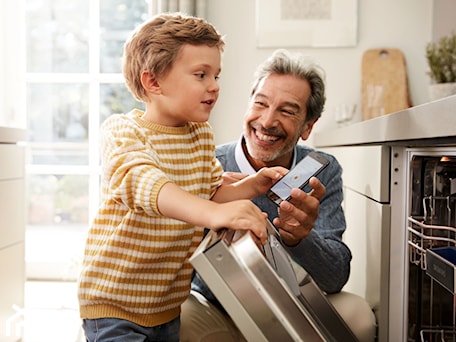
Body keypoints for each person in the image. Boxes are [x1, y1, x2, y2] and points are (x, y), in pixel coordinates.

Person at [77, 13, 287, 342]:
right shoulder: (123, 131)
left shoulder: (200, 135)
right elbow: (145, 184)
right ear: (153, 82)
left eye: (216, 74)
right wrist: (216, 213)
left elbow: (207, 192)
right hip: (113, 300)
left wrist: (250, 186)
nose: (214, 86)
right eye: (200, 74)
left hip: (166, 303)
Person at [181, 49, 377, 342]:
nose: (268, 121)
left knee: (359, 316)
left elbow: (335, 277)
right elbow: (180, 266)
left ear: (308, 126)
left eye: (287, 111)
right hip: (217, 306)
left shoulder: (321, 172)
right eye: (260, 104)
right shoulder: (206, 161)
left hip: (292, 302)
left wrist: (299, 239)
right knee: (178, 315)